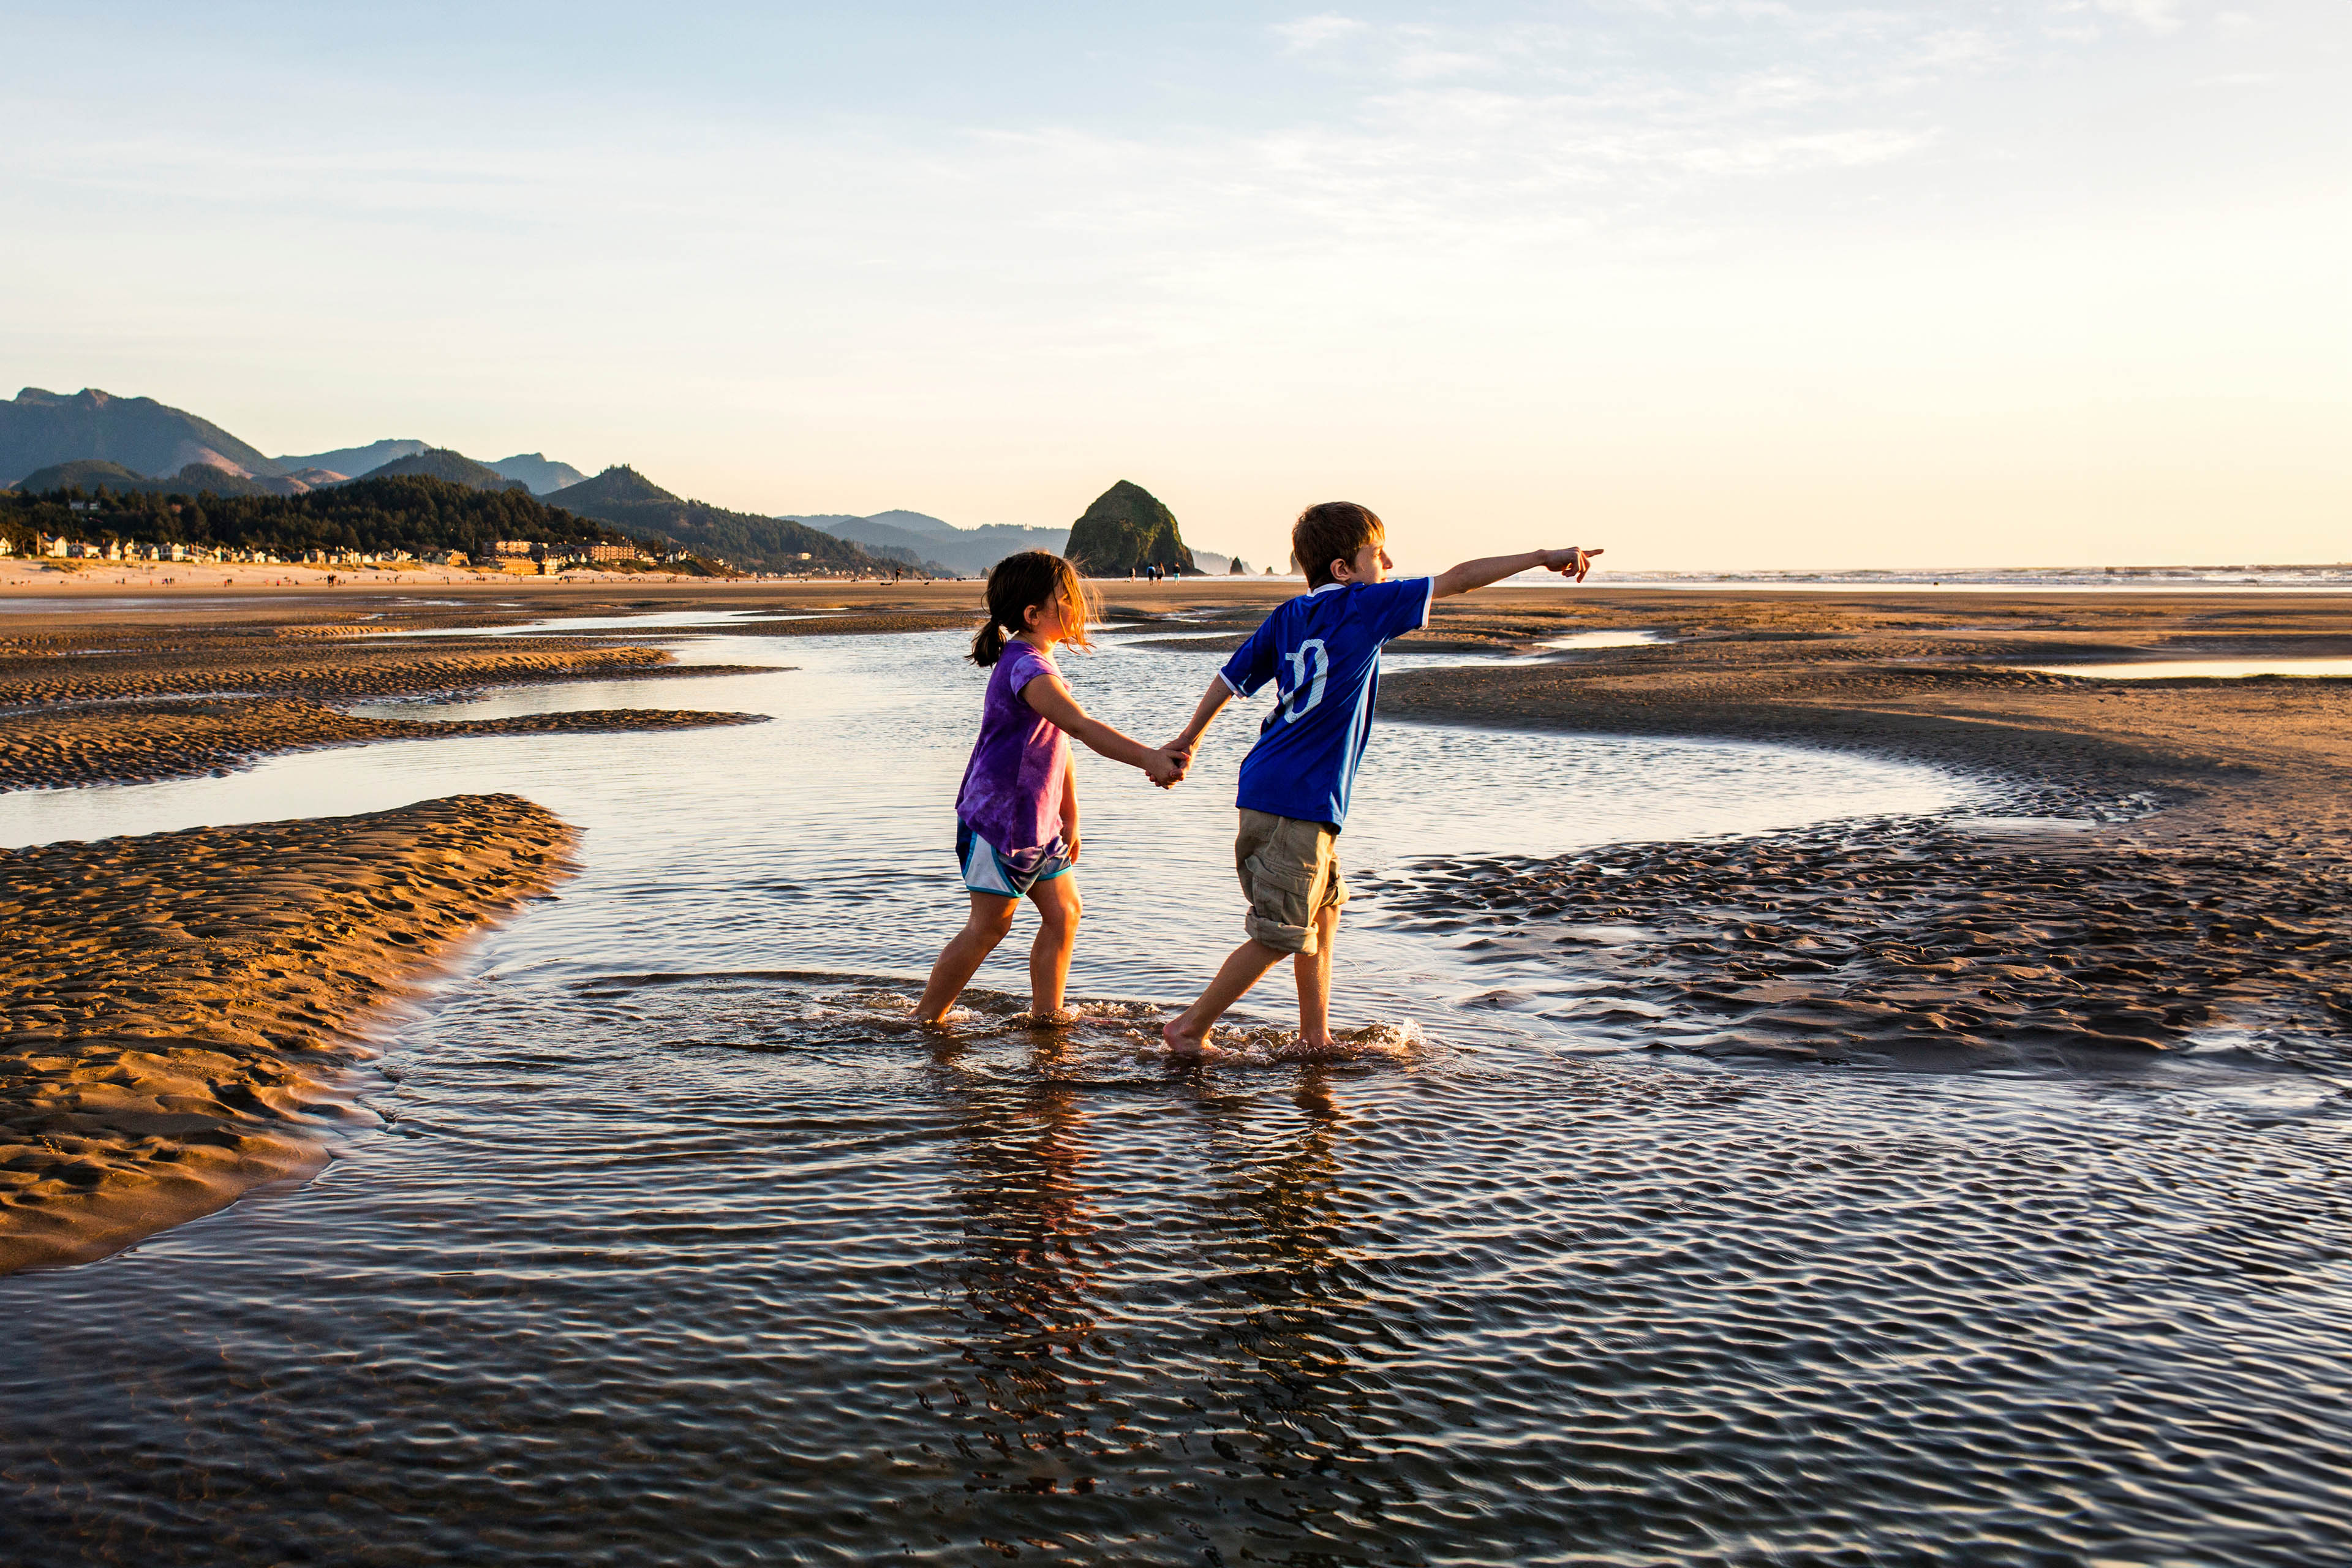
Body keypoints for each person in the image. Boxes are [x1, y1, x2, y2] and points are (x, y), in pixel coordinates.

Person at [1158, 502, 1600, 1054]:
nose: (1389, 562)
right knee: (1278, 931)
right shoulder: (1364, 605)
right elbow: (1458, 579)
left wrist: (1190, 738)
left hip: (1281, 790)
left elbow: (1229, 679)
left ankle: (1314, 1037)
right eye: (1377, 553)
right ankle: (1188, 1028)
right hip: (1296, 799)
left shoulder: (1289, 616)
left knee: (1325, 908)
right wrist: (1541, 557)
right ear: (1344, 570)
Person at [916, 551, 1189, 1025]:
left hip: (1041, 823)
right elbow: (1080, 726)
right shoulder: (1026, 667)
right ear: (1033, 614)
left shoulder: (1037, 662)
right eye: (1068, 597)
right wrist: (1147, 756)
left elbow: (1058, 746)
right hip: (999, 822)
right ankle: (925, 1018)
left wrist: (1071, 816)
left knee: (1065, 915)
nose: (1079, 605)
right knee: (988, 929)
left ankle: (1047, 1019)